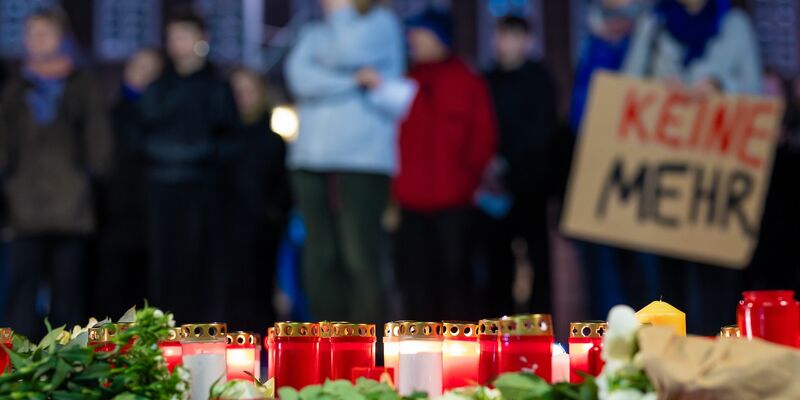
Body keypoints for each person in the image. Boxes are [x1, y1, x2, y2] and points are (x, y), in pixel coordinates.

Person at [623, 0, 762, 333]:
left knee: (716, 281)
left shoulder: (735, 25)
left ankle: (718, 358)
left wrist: (719, 87)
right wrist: (660, 93)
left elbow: (755, 91)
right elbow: (627, 85)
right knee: (665, 284)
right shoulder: (653, 24)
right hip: (666, 176)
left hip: (715, 180)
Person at [285, 0, 404, 322]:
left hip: (364, 161)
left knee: (360, 255)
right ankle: (328, 341)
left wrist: (341, 17)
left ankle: (368, 345)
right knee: (319, 255)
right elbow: (298, 78)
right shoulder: (312, 31)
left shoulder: (382, 24)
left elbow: (346, 53)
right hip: (310, 160)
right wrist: (352, 81)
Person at [0, 9, 113, 338]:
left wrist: (89, 176)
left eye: (44, 33)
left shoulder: (81, 85)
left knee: (68, 295)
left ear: (60, 37)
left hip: (71, 207)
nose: (37, 40)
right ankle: (17, 365)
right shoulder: (15, 87)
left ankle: (69, 365)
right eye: (31, 33)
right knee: (21, 292)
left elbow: (99, 141)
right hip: (24, 206)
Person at [136, 9, 240, 323]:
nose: (177, 44)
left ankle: (204, 337)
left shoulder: (217, 88)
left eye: (184, 36)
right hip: (162, 190)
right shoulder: (157, 88)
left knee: (204, 266)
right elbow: (137, 135)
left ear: (201, 39)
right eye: (172, 37)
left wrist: (198, 153)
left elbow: (232, 141)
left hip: (204, 192)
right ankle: (163, 335)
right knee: (164, 268)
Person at [394, 8, 497, 320]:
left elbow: (484, 136)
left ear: (440, 37)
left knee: (456, 281)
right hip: (411, 203)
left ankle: (458, 354)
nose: (412, 39)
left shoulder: (467, 82)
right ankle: (417, 354)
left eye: (420, 32)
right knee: (416, 283)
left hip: (455, 202)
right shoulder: (403, 84)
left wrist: (467, 179)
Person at [569, 0, 654, 320]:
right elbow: (581, 110)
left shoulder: (654, 34)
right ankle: (607, 347)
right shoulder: (593, 41)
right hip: (601, 171)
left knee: (647, 272)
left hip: (644, 170)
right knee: (604, 276)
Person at [480, 15, 557, 315]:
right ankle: (499, 329)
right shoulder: (486, 80)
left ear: (527, 41)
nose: (503, 43)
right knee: (497, 262)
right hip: (492, 189)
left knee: (538, 259)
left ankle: (540, 328)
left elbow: (542, 131)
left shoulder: (539, 79)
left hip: (531, 185)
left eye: (511, 36)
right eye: (499, 36)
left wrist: (507, 160)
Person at [93, 49, 163, 318]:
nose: (143, 76)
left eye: (151, 70)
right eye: (138, 67)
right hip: (114, 217)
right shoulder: (109, 116)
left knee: (148, 296)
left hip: (153, 218)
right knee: (112, 291)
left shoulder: (164, 119)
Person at [227, 67, 291, 330]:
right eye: (237, 92)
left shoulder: (273, 141)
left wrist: (272, 214)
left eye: (249, 91)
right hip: (225, 230)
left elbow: (284, 189)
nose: (242, 98)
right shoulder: (220, 139)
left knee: (259, 290)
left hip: (262, 231)